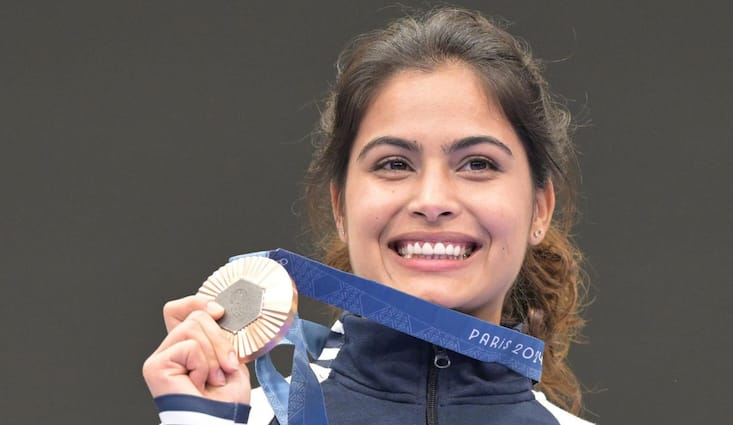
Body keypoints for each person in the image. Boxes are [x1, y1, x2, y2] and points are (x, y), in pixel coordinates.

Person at [143, 7, 591, 424]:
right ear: (341, 207)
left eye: (478, 164)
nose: (432, 199)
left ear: (540, 209)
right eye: (394, 164)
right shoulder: (235, 418)